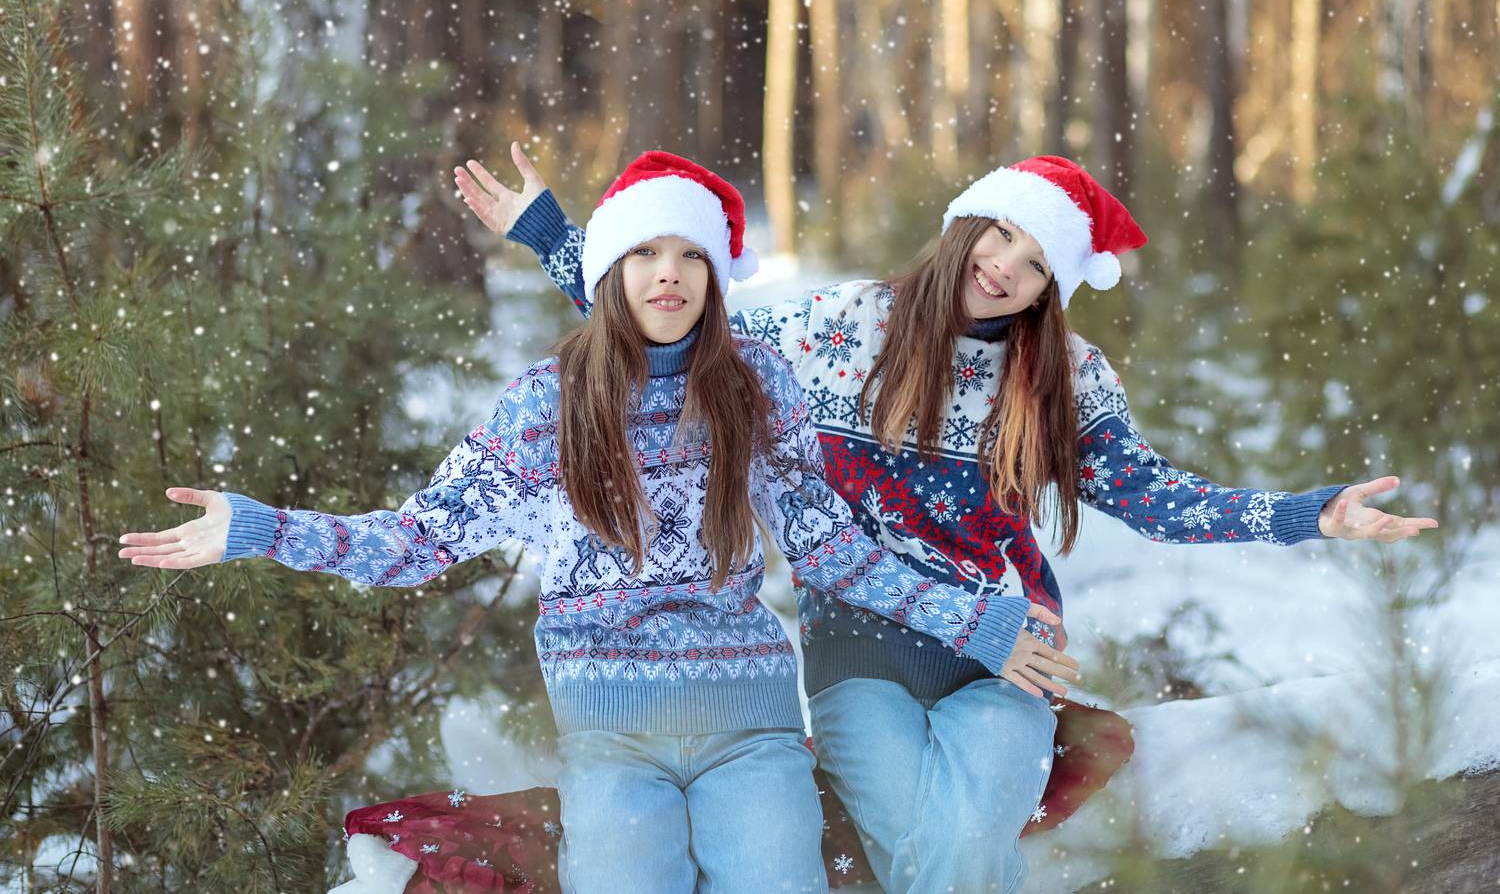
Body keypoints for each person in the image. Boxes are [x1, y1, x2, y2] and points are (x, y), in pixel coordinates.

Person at [455, 145, 1438, 893]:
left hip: (1007, 658)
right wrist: (550, 235)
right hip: (861, 658)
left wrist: (1310, 515)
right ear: (965, 226)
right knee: (933, 849)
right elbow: (678, 322)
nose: (1005, 267)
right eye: (999, 236)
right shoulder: (843, 329)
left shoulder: (1065, 378)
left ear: (1053, 288)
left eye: (1035, 262)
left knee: (962, 842)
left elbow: (1155, 498)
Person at [120, 151, 1073, 894]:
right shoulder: (546, 407)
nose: (670, 274)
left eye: (691, 255)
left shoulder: (753, 388)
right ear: (608, 270)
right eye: (645, 253)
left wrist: (980, 621)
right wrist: (259, 528)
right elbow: (417, 541)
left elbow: (833, 550)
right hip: (613, 741)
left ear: (715, 277)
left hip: (752, 727)